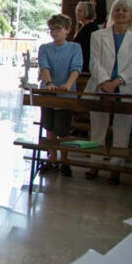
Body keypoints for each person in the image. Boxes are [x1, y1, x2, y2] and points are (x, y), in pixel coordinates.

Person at [84, 0, 132, 184]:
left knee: (122, 128)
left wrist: (117, 82)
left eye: (125, 10)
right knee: (98, 127)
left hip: (127, 86)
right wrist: (105, 81)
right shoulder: (98, 35)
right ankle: (95, 163)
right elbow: (94, 62)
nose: (121, 13)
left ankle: (116, 167)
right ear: (112, 12)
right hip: (100, 85)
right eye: (117, 9)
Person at [37, 14, 83, 176]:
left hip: (66, 95)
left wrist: (68, 85)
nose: (54, 32)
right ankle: (52, 158)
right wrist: (49, 83)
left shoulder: (75, 48)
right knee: (49, 126)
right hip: (48, 93)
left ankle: (64, 159)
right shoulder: (44, 48)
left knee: (63, 130)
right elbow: (44, 66)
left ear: (67, 30)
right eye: (51, 29)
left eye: (58, 29)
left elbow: (76, 67)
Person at [72, 1, 98, 72]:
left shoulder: (91, 28)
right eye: (77, 10)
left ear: (88, 12)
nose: (77, 13)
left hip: (86, 65)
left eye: (80, 11)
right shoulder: (84, 27)